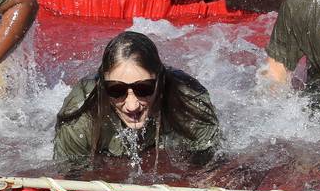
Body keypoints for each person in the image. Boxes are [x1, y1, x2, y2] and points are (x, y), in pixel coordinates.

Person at [53, 31, 221, 166]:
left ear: (160, 81)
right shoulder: (79, 119)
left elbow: (211, 167)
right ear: (104, 87)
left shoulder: (190, 103)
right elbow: (68, 180)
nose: (132, 106)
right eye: (116, 89)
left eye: (143, 88)